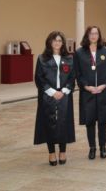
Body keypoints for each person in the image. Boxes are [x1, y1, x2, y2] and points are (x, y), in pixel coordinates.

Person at [34, 31, 76, 166]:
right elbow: (39, 78)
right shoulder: (42, 58)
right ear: (50, 42)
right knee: (48, 122)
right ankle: (51, 152)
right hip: (48, 95)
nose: (57, 43)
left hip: (64, 94)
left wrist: (64, 91)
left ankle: (62, 151)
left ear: (62, 43)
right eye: (54, 40)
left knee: (64, 122)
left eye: (59, 40)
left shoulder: (69, 59)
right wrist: (52, 92)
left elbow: (72, 78)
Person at [74, 26, 106, 160]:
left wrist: (105, 85)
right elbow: (77, 73)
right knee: (90, 121)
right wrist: (86, 86)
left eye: (96, 33)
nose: (93, 36)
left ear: (99, 35)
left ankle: (103, 147)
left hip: (103, 91)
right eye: (91, 33)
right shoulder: (80, 53)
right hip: (88, 93)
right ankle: (92, 147)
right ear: (87, 35)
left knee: (102, 121)